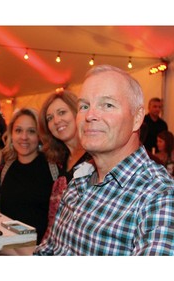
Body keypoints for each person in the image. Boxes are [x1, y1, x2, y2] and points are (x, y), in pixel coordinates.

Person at [35, 64, 174, 256]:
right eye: (84, 106)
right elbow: (48, 252)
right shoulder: (79, 182)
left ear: (137, 118)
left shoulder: (159, 196)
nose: (90, 115)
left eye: (107, 105)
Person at [34, 90, 91, 251]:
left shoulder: (94, 157)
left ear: (77, 112)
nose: (56, 121)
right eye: (50, 118)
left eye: (62, 112)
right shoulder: (61, 159)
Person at [0, 108, 53, 246]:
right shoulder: (6, 167)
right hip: (7, 245)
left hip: (39, 249)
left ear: (39, 136)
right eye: (18, 130)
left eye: (31, 131)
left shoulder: (53, 168)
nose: (24, 137)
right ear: (11, 134)